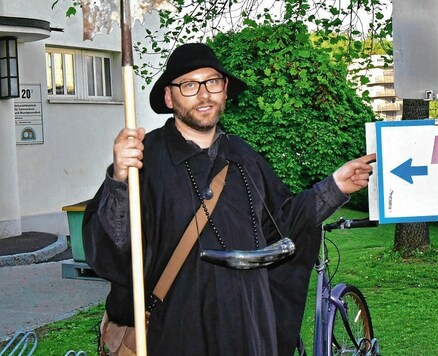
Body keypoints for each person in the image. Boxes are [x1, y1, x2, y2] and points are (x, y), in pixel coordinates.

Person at [83, 43, 375, 356]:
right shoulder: (146, 160)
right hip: (178, 333)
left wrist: (334, 186)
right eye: (190, 85)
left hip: (247, 327)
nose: (204, 94)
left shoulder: (244, 157)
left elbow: (282, 226)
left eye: (212, 82)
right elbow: (110, 251)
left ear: (224, 91)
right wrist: (118, 180)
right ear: (169, 97)